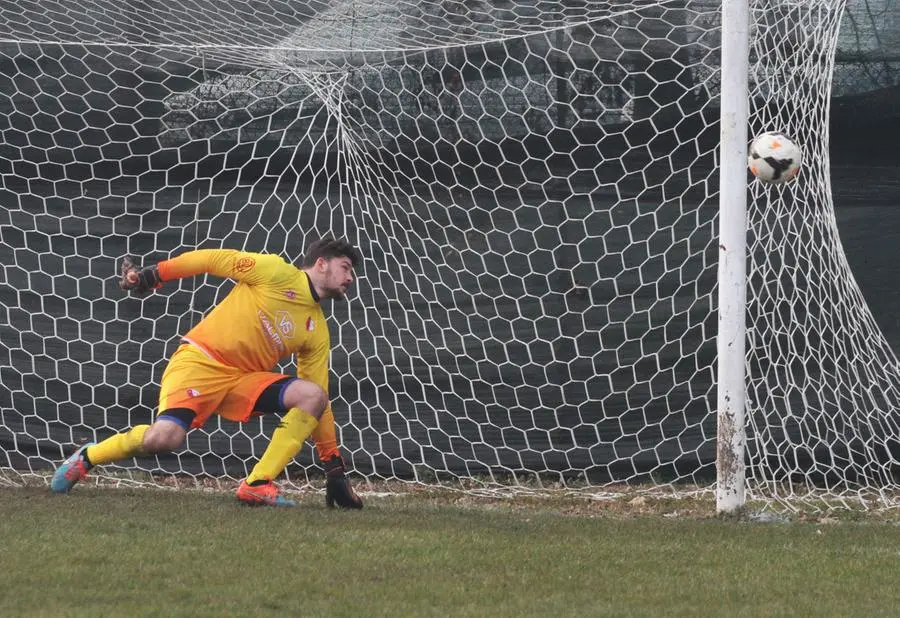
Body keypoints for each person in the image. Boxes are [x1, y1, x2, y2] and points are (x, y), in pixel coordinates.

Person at [50, 238, 364, 509]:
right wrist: (154, 275)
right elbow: (211, 260)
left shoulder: (317, 330)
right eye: (346, 267)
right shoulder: (276, 272)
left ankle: (257, 484)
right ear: (321, 264)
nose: (350, 277)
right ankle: (87, 457)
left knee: (313, 395)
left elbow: (320, 403)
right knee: (163, 439)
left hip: (242, 380)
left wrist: (333, 465)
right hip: (200, 362)